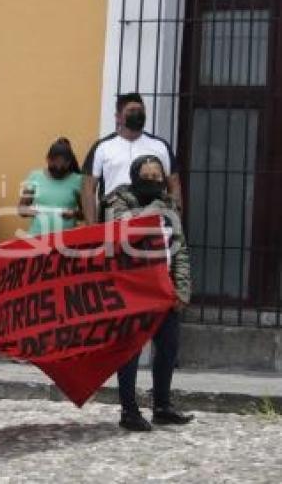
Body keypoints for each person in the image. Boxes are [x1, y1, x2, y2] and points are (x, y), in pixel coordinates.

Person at [105, 155, 194, 431]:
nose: (155, 182)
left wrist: (182, 287)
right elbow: (123, 231)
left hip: (163, 289)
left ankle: (162, 406)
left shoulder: (169, 206)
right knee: (130, 350)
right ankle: (129, 411)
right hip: (131, 290)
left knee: (168, 347)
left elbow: (178, 247)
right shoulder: (117, 201)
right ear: (135, 177)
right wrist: (156, 207)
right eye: (148, 177)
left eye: (159, 177)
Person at [82, 93, 181, 224]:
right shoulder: (102, 147)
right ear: (118, 117)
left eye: (140, 111)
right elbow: (88, 188)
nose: (137, 114)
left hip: (152, 218)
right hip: (114, 218)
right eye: (131, 111)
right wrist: (92, 227)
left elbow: (174, 185)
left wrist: (175, 221)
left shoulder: (160, 146)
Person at [18, 137, 83, 236]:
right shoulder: (35, 176)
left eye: (62, 168)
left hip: (67, 241)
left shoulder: (78, 180)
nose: (58, 169)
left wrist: (74, 213)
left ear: (69, 163)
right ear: (47, 160)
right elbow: (21, 209)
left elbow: (86, 213)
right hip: (37, 239)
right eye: (54, 167)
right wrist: (34, 211)